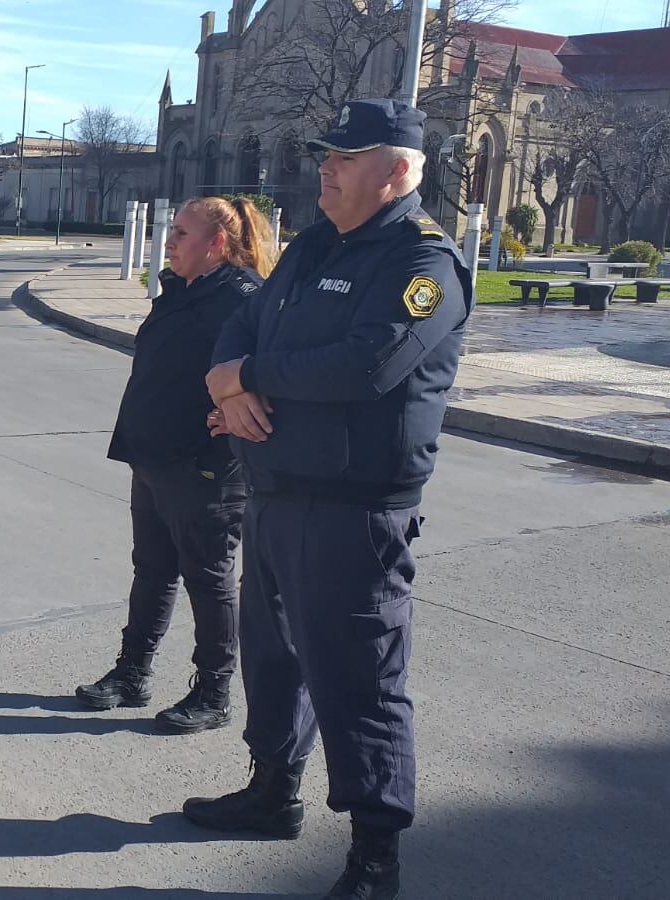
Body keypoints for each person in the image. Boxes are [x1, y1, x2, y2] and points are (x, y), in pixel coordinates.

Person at [182, 99, 473, 900]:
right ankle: (272, 790)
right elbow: (246, 317)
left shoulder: (424, 263)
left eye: (347, 156)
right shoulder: (313, 245)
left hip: (355, 509)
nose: (327, 166)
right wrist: (226, 377)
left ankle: (375, 856)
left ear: (400, 170)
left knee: (359, 682)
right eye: (327, 153)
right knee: (274, 661)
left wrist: (249, 378)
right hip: (276, 491)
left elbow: (366, 364)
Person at [75, 197, 277, 734]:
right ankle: (132, 673)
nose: (169, 241)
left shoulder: (243, 299)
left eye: (181, 233)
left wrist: (231, 425)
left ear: (215, 244)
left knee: (209, 579)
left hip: (204, 465)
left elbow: (266, 374)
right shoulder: (181, 290)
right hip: (155, 454)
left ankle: (213, 692)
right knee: (153, 569)